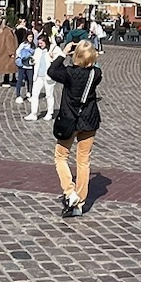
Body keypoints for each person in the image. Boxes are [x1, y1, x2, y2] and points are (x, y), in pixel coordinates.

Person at [49, 40, 102, 217]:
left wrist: (64, 52)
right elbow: (94, 67)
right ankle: (79, 204)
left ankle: (69, 191)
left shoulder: (69, 73)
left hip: (70, 121)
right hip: (89, 121)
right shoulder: (96, 73)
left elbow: (52, 71)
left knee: (61, 157)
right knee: (83, 161)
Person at [26, 26, 57, 123]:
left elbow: (60, 58)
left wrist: (53, 57)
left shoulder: (52, 49)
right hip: (38, 76)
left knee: (49, 95)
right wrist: (31, 60)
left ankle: (50, 112)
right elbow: (34, 60)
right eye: (38, 43)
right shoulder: (38, 50)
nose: (40, 45)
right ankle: (33, 113)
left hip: (48, 76)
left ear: (46, 42)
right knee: (34, 94)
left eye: (41, 43)